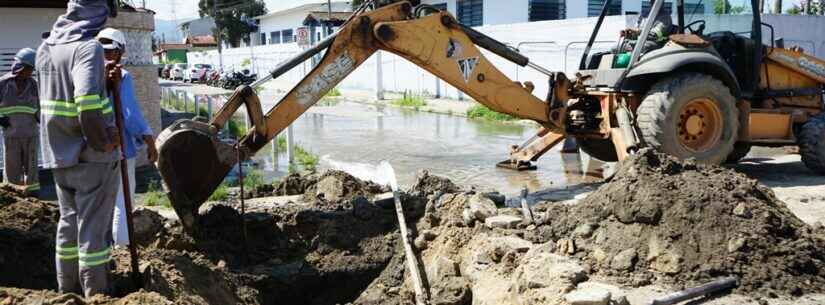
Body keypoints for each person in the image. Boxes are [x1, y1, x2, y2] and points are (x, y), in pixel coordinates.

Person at [37, 0, 121, 298]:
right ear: (95, 12)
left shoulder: (45, 48)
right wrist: (105, 140)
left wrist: (104, 81)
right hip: (91, 157)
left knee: (68, 226)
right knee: (92, 231)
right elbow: (85, 102)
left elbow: (60, 96)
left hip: (59, 156)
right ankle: (96, 293)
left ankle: (66, 290)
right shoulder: (89, 48)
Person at [96, 28, 158, 247]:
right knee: (122, 202)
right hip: (119, 149)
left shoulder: (84, 73)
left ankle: (101, 249)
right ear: (119, 51)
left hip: (92, 151)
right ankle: (122, 249)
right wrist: (149, 139)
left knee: (99, 203)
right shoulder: (120, 75)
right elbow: (129, 115)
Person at [0, 48, 40, 195]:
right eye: (29, 68)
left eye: (31, 69)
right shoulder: (3, 84)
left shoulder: (34, 85)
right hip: (11, 135)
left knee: (32, 170)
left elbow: (40, 108)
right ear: (20, 67)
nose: (30, 72)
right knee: (12, 169)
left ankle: (34, 198)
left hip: (31, 134)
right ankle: (13, 198)